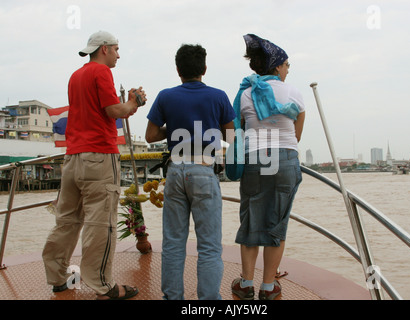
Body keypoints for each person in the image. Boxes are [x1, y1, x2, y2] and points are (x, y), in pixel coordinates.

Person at [42, 31, 146, 300]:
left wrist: (129, 104)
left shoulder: (75, 76)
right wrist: (135, 102)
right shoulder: (102, 73)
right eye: (116, 49)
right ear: (104, 49)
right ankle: (103, 285)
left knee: (67, 220)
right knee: (101, 224)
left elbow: (97, 109)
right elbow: (113, 111)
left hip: (73, 157)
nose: (118, 55)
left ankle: (57, 278)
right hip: (99, 156)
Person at [145, 44, 235, 300]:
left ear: (178, 70)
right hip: (205, 171)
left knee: (173, 243)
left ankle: (172, 297)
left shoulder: (165, 96)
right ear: (204, 69)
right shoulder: (218, 96)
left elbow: (151, 135)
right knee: (208, 245)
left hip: (175, 171)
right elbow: (231, 135)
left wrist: (171, 128)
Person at [231, 34, 306, 300]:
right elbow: (296, 136)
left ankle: (246, 284)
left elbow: (236, 131)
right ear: (276, 66)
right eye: (286, 65)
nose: (288, 70)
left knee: (251, 222)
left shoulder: (245, 93)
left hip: (255, 158)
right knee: (277, 223)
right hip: (285, 158)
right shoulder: (294, 93)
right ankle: (268, 287)